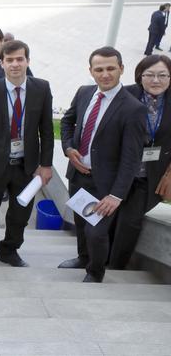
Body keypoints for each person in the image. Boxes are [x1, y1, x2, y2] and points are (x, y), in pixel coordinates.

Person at [58, 46, 146, 282]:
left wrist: (116, 196)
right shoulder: (85, 92)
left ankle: (95, 272)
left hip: (106, 184)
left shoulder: (133, 109)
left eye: (111, 68)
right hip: (78, 176)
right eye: (99, 69)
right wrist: (68, 149)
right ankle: (83, 258)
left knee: (96, 232)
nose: (105, 74)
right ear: (91, 71)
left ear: (121, 69)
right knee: (80, 222)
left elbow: (131, 158)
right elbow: (67, 122)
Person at [0, 41, 54, 268]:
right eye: (10, 60)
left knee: (20, 214)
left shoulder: (42, 89)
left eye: (20, 59)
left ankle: (9, 250)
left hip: (27, 167)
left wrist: (46, 165)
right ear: (2, 63)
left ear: (28, 61)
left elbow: (46, 130)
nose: (15, 64)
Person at [111, 54, 171, 269]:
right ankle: (94, 258)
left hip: (151, 174)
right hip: (119, 171)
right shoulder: (125, 95)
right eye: (150, 75)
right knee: (108, 217)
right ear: (140, 76)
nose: (156, 80)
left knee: (129, 221)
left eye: (163, 75)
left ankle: (115, 267)